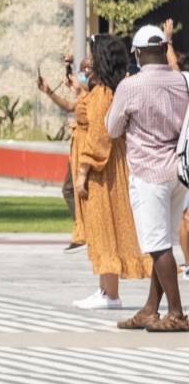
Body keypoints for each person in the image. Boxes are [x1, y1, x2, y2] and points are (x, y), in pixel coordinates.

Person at [104, 25, 189, 331]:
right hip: (178, 172)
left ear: (138, 53)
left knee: (157, 246)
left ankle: (177, 313)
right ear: (164, 47)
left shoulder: (131, 86)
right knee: (163, 242)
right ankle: (150, 309)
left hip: (148, 173)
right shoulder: (182, 81)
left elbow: (112, 128)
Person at [70, 37, 147, 312]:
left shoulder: (104, 93)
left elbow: (100, 136)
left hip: (103, 172)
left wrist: (83, 170)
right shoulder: (103, 90)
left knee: (105, 226)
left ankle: (110, 293)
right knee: (101, 227)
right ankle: (104, 289)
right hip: (106, 167)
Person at [38, 53, 84, 248]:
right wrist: (49, 91)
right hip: (78, 147)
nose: (80, 77)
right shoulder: (88, 95)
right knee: (70, 189)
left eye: (86, 72)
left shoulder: (96, 95)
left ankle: (85, 231)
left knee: (73, 190)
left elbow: (70, 104)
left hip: (86, 149)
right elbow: (69, 104)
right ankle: (82, 229)